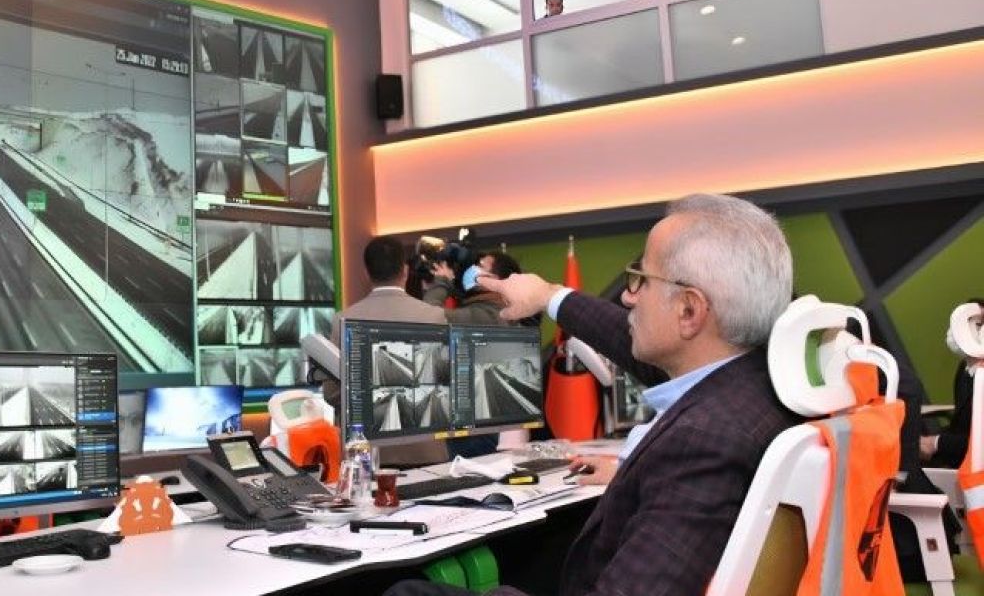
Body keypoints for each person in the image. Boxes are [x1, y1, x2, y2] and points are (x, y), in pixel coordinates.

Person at [383, 193, 800, 596]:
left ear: (689, 310)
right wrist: (548, 296)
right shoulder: (759, 383)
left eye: (641, 280)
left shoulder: (703, 440)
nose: (627, 296)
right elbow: (629, 338)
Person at [325, 236, 447, 465]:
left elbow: (332, 393)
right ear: (405, 270)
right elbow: (445, 385)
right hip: (424, 451)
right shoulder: (434, 316)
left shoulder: (343, 320)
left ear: (366, 273)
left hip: (366, 457)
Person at [422, 250, 521, 326]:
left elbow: (428, 316)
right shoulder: (494, 308)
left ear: (495, 281)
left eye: (480, 266)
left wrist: (442, 279)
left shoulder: (489, 315)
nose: (472, 269)